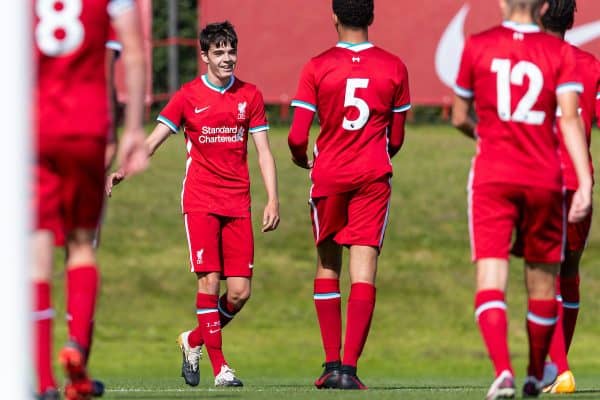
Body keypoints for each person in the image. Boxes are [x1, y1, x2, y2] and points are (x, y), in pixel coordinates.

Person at [107, 21, 280, 388]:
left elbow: (263, 151)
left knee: (239, 292)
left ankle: (193, 340)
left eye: (231, 51)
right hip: (200, 199)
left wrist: (273, 198)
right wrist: (124, 169)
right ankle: (221, 368)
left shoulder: (250, 95)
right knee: (209, 279)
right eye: (218, 52)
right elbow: (155, 139)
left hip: (239, 203)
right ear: (204, 56)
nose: (227, 58)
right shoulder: (187, 96)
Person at [451, 0, 592, 398]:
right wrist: (583, 181)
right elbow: (568, 120)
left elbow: (460, 115)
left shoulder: (477, 45)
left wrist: (489, 135)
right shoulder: (560, 53)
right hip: (545, 176)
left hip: (494, 175)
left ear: (501, 2)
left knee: (492, 277)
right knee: (544, 283)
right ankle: (536, 373)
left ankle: (503, 371)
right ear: (543, 6)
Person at [288, 0, 410, 390]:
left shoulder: (317, 66)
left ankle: (330, 365)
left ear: (334, 17)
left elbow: (296, 135)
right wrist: (375, 154)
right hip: (373, 176)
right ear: (371, 17)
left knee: (328, 265)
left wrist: (300, 157)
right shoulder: (394, 67)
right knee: (364, 270)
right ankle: (351, 371)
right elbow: (398, 138)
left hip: (329, 176)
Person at [33, 0, 148, 399]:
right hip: (86, 125)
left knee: (38, 248)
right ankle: (76, 348)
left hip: (35, 125)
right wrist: (133, 129)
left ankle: (44, 382)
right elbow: (132, 53)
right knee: (82, 245)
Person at [538, 0, 600, 393]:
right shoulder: (590, 64)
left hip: (538, 179)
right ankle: (557, 367)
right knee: (569, 272)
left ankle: (559, 368)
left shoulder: (521, 62)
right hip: (580, 180)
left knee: (541, 276)